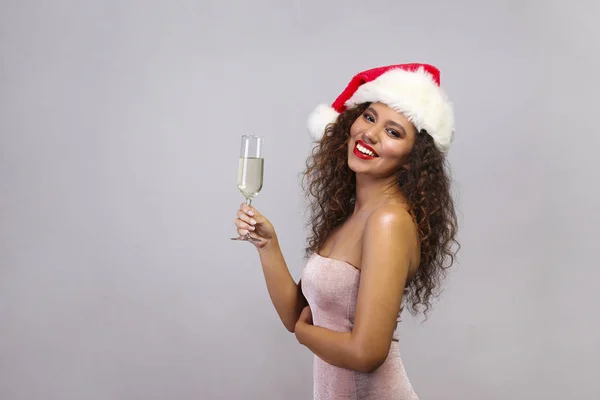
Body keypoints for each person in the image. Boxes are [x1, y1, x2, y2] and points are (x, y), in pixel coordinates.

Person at [233, 63, 459, 399]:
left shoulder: (389, 222)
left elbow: (366, 354)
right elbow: (299, 313)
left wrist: (303, 334)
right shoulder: (352, 216)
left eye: (393, 132)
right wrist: (268, 245)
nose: (370, 133)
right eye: (369, 117)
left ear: (412, 159)